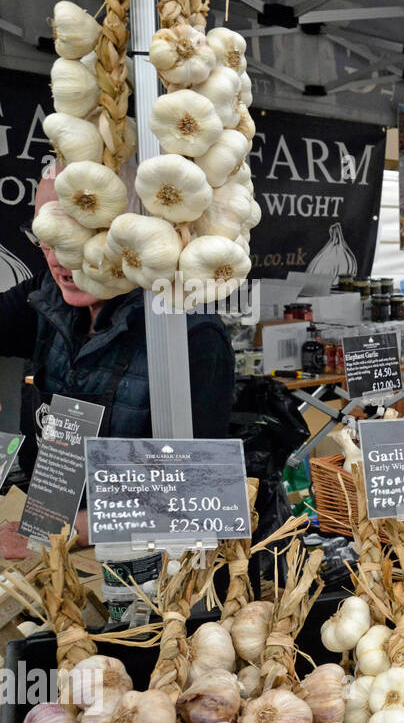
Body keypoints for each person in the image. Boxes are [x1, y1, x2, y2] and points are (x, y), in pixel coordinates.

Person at [0, 174, 236, 560]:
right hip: (51, 541)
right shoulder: (45, 296)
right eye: (44, 237)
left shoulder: (188, 333)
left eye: (76, 236)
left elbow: (200, 494)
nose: (57, 258)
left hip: (139, 568)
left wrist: (62, 533)